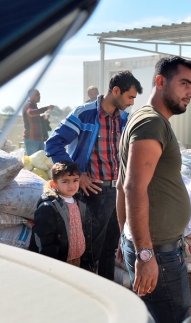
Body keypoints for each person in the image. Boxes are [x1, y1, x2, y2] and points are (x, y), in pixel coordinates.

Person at [117, 56, 191, 323]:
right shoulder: (151, 122)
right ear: (161, 82)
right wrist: (145, 253)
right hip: (158, 253)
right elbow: (133, 187)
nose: (190, 92)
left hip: (152, 247)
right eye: (185, 84)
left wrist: (124, 235)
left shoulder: (142, 119)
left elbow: (121, 185)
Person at [45, 71, 142, 281]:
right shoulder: (85, 114)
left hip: (118, 192)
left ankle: (108, 290)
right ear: (116, 90)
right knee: (90, 251)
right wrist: (78, 175)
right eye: (130, 97)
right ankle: (87, 294)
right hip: (94, 193)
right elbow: (53, 144)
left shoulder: (124, 119)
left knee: (110, 248)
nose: (131, 102)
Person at [29, 161, 86, 266]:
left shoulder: (80, 202)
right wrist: (52, 264)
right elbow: (44, 239)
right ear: (54, 184)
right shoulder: (49, 207)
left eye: (75, 180)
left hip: (77, 258)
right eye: (65, 181)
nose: (72, 185)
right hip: (60, 261)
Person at [22, 89, 55, 156]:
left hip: (40, 139)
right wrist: (47, 108)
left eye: (39, 94)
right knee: (32, 161)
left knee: (41, 160)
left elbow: (35, 118)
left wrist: (43, 117)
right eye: (37, 95)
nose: (39, 96)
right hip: (32, 139)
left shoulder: (34, 106)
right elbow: (31, 113)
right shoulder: (28, 106)